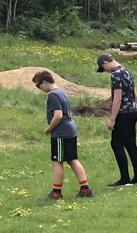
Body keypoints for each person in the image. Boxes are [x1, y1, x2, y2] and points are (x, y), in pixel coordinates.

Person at [32, 70, 92, 200]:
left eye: (38, 85)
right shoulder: (62, 92)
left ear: (45, 82)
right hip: (71, 129)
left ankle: (56, 193)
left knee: (57, 161)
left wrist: (49, 129)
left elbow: (58, 115)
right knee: (72, 159)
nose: (39, 88)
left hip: (61, 132)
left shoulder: (53, 95)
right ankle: (85, 189)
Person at [96, 52, 137, 187]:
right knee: (130, 144)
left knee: (116, 143)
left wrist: (112, 119)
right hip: (133, 110)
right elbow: (134, 92)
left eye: (103, 68)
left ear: (105, 63)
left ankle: (125, 179)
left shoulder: (116, 74)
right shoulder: (126, 70)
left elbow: (117, 98)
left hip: (123, 113)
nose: (104, 71)